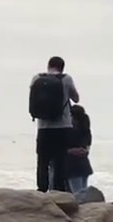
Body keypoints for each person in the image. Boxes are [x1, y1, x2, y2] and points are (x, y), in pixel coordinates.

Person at [29, 56, 80, 192]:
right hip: (62, 126)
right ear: (62, 67)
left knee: (42, 160)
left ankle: (41, 189)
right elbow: (76, 98)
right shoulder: (66, 79)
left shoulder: (36, 78)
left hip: (43, 127)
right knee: (60, 160)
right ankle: (58, 190)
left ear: (48, 66)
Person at [64, 105, 93, 194]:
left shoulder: (69, 131)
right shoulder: (85, 132)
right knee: (83, 192)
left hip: (73, 167)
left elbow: (62, 148)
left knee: (77, 194)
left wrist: (68, 151)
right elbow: (86, 148)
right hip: (84, 165)